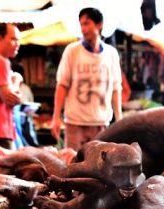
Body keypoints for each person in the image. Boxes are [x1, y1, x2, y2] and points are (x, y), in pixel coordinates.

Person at [50, 7, 123, 151]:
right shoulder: (72, 51)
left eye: (86, 23)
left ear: (99, 25)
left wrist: (119, 121)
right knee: (73, 165)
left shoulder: (111, 54)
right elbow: (62, 85)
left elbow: (116, 88)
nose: (83, 29)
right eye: (81, 24)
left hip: (101, 123)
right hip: (75, 123)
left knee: (100, 168)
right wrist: (56, 117)